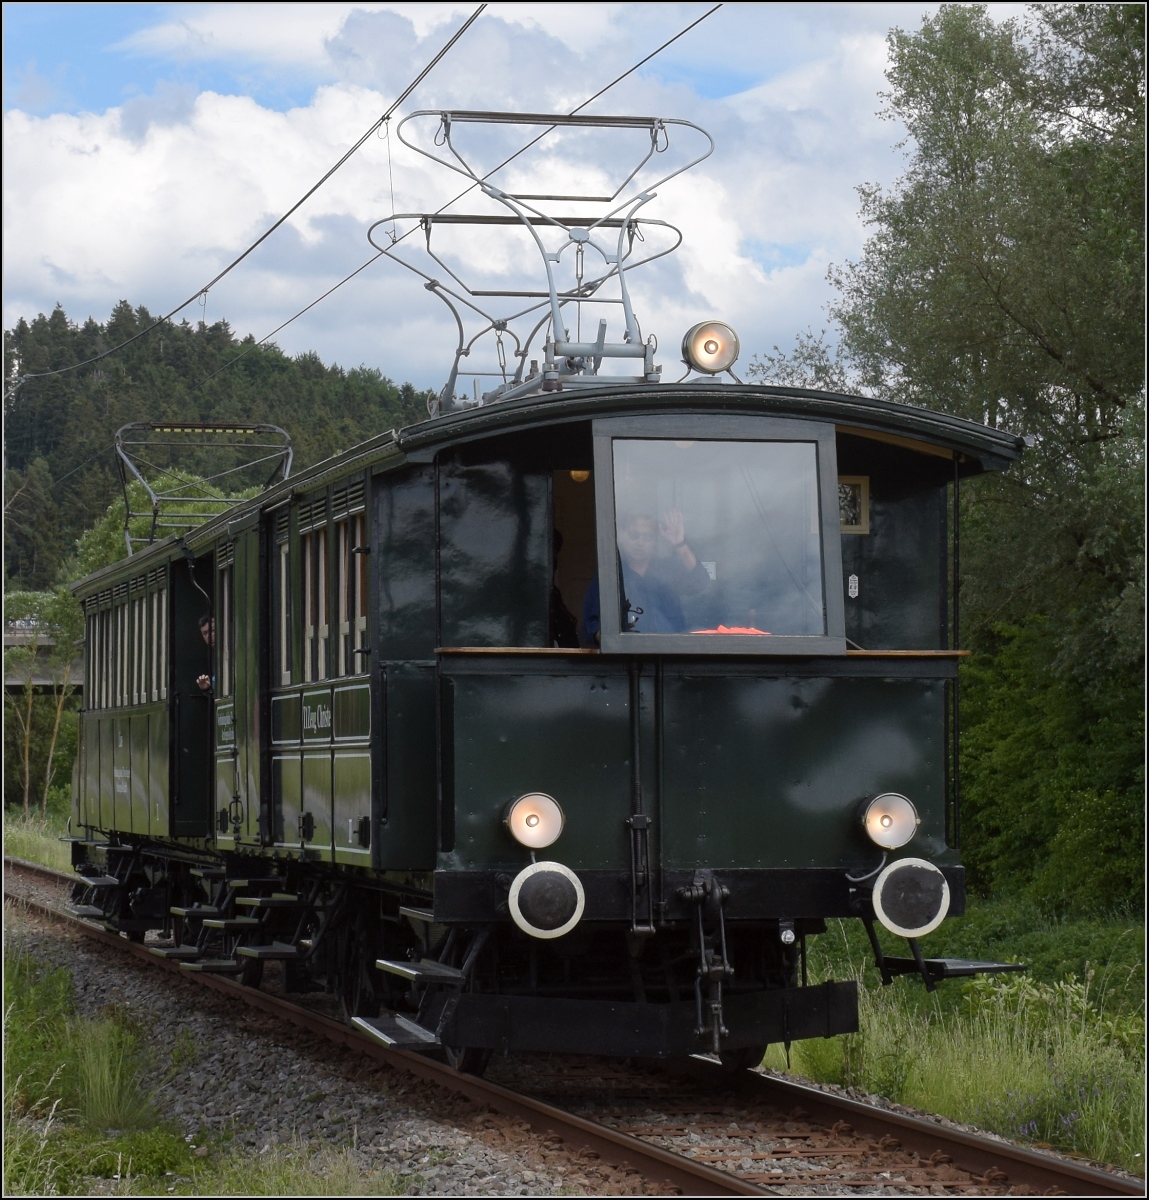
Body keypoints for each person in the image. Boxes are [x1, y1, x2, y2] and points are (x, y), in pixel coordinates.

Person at [580, 509, 711, 644]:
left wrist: (679, 543)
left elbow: (701, 582)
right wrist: (617, 642)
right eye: (634, 535)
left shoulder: (666, 571)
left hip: (672, 651)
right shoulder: (610, 576)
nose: (640, 542)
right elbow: (592, 626)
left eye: (648, 537)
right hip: (629, 653)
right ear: (622, 537)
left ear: (655, 541)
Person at [196, 615, 214, 692]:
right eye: (205, 633)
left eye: (213, 630)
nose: (209, 636)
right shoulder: (210, 656)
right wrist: (206, 688)